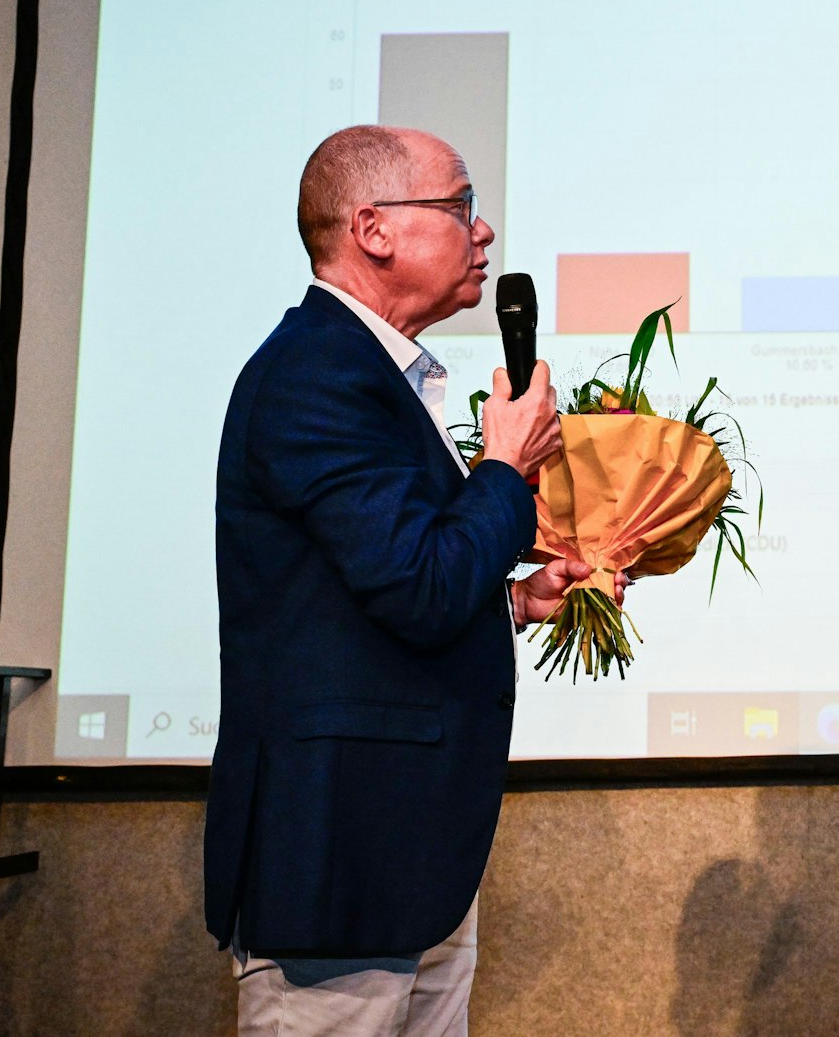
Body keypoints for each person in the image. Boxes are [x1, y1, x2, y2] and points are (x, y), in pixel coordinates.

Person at [206, 124, 611, 1035]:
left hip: (410, 861)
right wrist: (504, 469)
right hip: (342, 859)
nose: (483, 233)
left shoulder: (364, 372)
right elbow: (421, 584)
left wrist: (510, 598)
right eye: (459, 206)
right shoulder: (315, 373)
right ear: (373, 229)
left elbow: (369, 591)